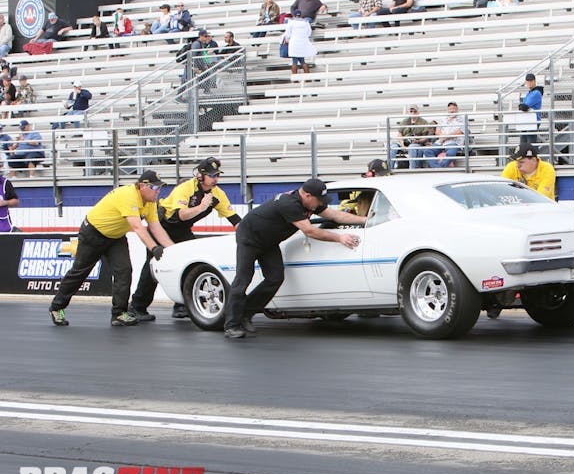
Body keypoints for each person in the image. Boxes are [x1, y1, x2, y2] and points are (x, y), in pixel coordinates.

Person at [223, 178, 365, 338]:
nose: (320, 204)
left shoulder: (310, 202)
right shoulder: (289, 203)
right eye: (318, 200)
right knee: (243, 280)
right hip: (250, 238)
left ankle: (246, 314)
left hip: (269, 241)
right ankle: (232, 325)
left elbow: (336, 215)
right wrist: (339, 238)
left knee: (275, 278)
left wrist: (365, 220)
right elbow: (309, 231)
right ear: (307, 195)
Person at [48, 171, 175, 327]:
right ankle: (56, 307)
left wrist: (172, 249)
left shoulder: (150, 202)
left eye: (159, 188)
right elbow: (138, 227)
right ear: (142, 186)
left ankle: (119, 313)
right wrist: (154, 248)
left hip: (115, 236)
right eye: (155, 187)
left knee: (124, 271)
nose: (158, 191)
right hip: (93, 233)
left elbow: (156, 227)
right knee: (80, 271)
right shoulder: (129, 195)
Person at [129, 157, 241, 321]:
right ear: (200, 176)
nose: (215, 179)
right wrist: (202, 206)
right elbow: (180, 215)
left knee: (188, 262)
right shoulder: (185, 188)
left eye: (217, 175)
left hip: (182, 230)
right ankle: (137, 306)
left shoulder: (218, 194)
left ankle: (182, 305)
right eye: (212, 175)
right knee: (154, 264)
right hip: (163, 225)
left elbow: (234, 219)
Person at [424, 101, 465, 168]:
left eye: (453, 109)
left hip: (453, 142)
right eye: (450, 109)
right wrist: (442, 136)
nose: (452, 111)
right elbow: (437, 131)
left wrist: (446, 137)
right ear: (448, 110)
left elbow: (460, 131)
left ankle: (440, 167)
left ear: (457, 109)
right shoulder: (443, 119)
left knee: (451, 152)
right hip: (441, 142)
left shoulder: (462, 119)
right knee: (428, 151)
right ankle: (437, 168)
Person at [390, 104, 432, 169]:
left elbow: (426, 136)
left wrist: (418, 141)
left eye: (415, 111)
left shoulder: (423, 122)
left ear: (418, 112)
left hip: (416, 142)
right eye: (411, 111)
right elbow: (399, 134)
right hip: (404, 141)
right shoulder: (405, 121)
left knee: (412, 147)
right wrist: (402, 144)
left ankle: (412, 169)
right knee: (393, 147)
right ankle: (390, 168)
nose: (413, 113)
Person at [282, 10, 316, 74]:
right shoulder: (306, 23)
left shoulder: (291, 23)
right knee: (302, 60)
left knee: (294, 61)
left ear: (294, 15)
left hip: (294, 42)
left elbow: (287, 34)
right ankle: (307, 76)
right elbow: (309, 33)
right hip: (303, 43)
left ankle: (295, 78)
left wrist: (286, 40)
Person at [518, 73, 543, 146]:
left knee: (529, 145)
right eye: (528, 81)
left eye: (531, 81)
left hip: (532, 121)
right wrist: (522, 106)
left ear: (534, 81)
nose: (529, 83)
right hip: (527, 120)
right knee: (524, 145)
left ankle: (532, 157)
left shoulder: (536, 93)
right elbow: (522, 107)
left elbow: (524, 106)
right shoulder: (530, 93)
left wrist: (523, 106)